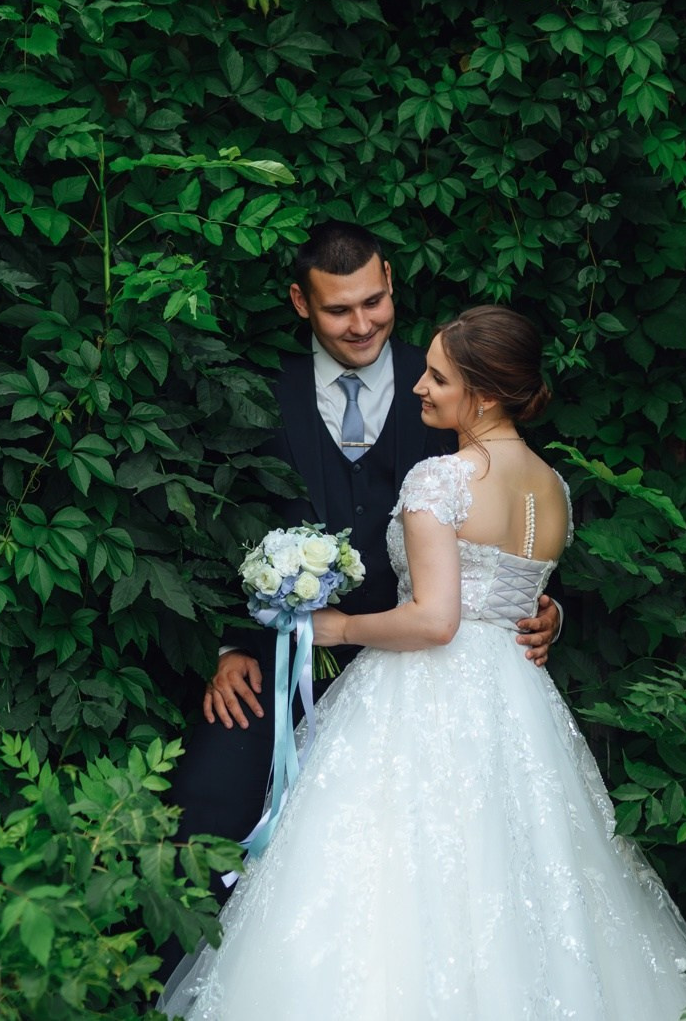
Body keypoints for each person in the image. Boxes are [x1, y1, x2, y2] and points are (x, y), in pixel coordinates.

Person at [160, 307, 686, 1020]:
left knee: (397, 878)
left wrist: (337, 624)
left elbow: (436, 619)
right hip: (519, 699)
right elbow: (517, 595)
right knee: (525, 869)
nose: (419, 388)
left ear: (485, 394)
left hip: (427, 694)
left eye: (437, 376)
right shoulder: (553, 486)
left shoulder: (440, 479)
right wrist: (547, 614)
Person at [165, 223, 562, 885]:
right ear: (300, 302)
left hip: (418, 665)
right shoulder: (257, 389)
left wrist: (542, 606)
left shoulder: (448, 382)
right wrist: (226, 646)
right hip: (278, 658)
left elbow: (506, 522)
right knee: (203, 807)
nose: (360, 324)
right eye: (338, 308)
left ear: (391, 287)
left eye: (373, 302)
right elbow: (215, 522)